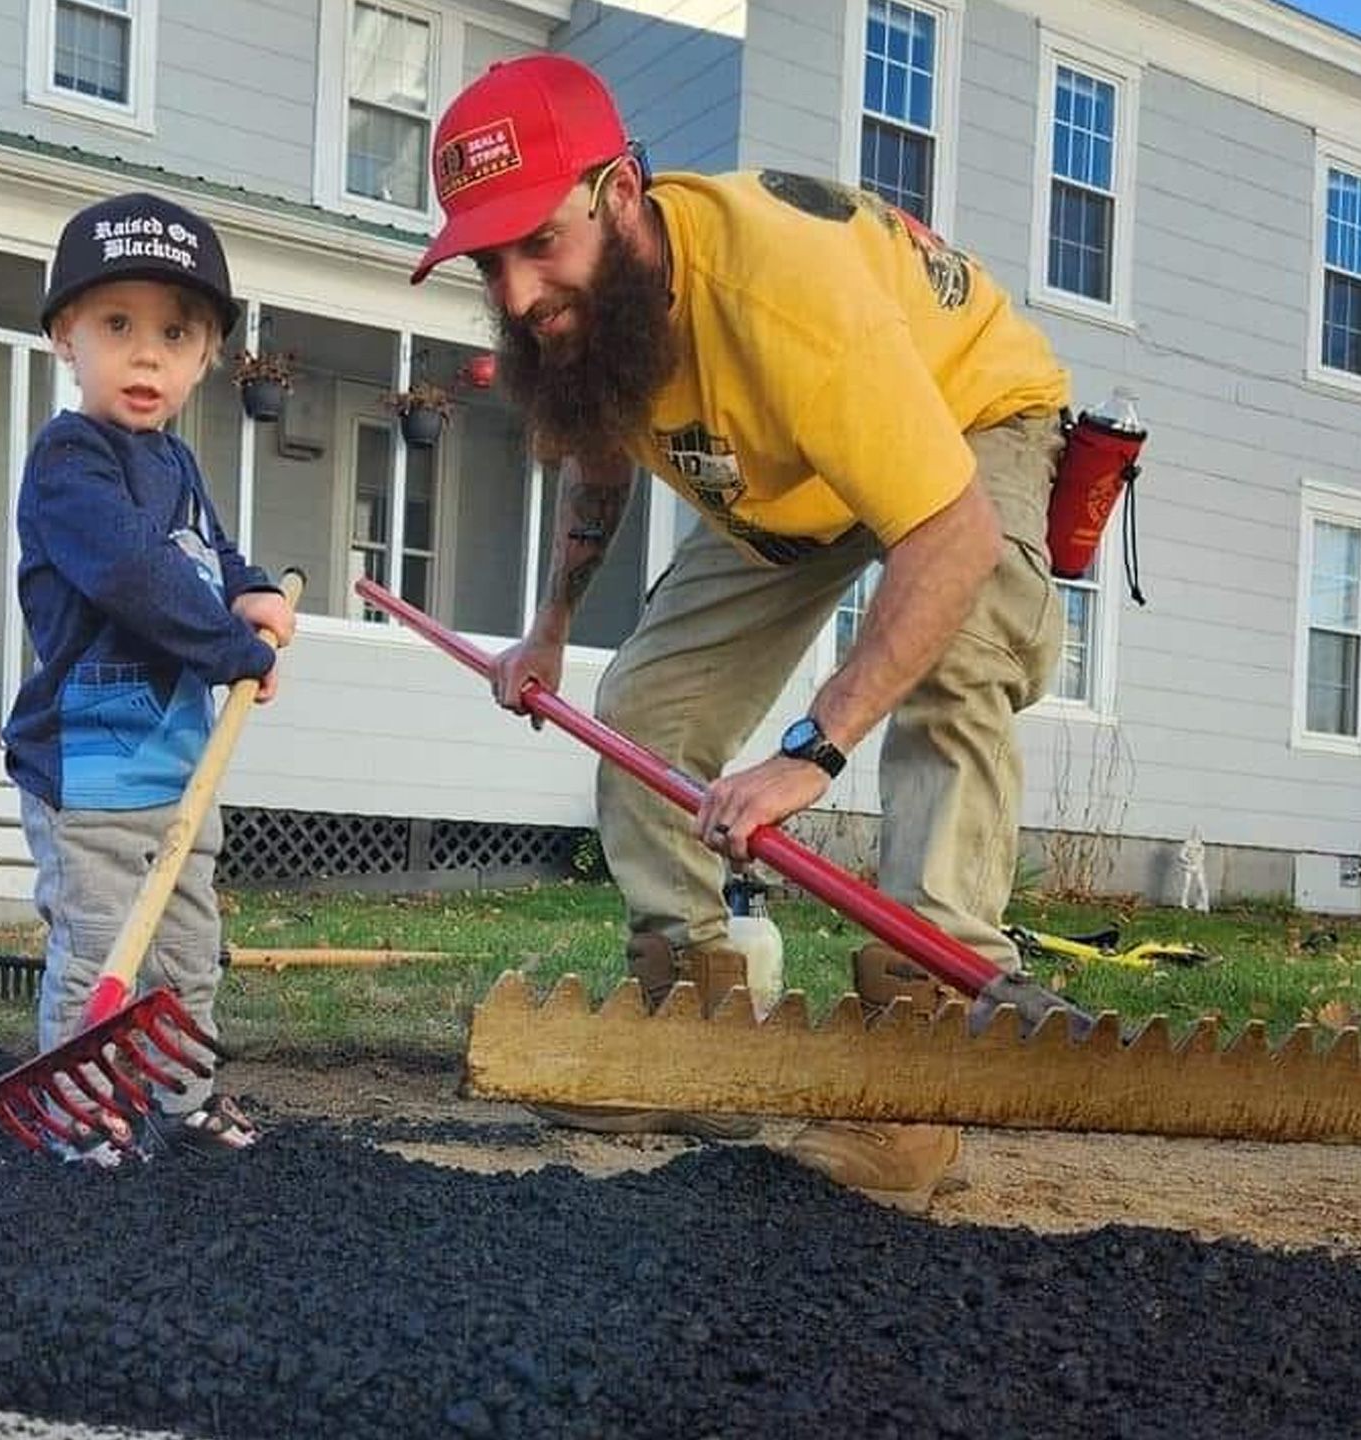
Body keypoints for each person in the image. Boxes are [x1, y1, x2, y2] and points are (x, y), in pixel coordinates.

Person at [411, 56, 1072, 1213]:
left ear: (621, 194)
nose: (515, 295)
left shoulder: (781, 297)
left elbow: (951, 536)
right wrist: (551, 627)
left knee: (956, 661)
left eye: (540, 245)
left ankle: (914, 1068)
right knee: (648, 713)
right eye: (489, 262)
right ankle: (701, 1024)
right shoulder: (601, 313)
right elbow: (605, 445)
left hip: (965, 420)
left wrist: (812, 750)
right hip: (788, 474)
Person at [3, 191, 296, 1164]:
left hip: (178, 757)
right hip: (91, 759)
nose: (146, 354)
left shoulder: (175, 462)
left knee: (185, 949)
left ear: (207, 359)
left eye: (176, 334)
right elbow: (137, 576)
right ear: (64, 338)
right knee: (100, 947)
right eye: (116, 325)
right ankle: (82, 1110)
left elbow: (211, 554)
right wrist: (233, 649)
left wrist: (254, 594)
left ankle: (181, 1095)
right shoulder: (67, 460)